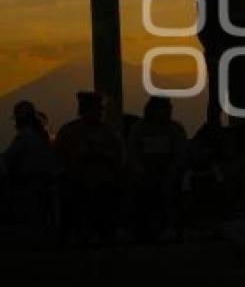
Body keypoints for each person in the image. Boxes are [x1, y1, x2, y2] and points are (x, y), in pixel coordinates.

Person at [53, 92, 125, 244]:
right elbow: (60, 158)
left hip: (104, 181)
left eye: (101, 109)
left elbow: (118, 158)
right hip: (77, 180)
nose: (100, 113)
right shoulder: (69, 132)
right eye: (97, 109)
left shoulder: (110, 133)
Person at [126, 97, 188, 242]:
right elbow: (132, 154)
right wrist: (143, 173)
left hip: (168, 173)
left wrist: (171, 173)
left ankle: (170, 227)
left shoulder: (175, 129)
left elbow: (180, 155)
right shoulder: (138, 129)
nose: (167, 112)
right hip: (143, 173)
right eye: (162, 109)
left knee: (169, 190)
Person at [2, 101, 61, 232]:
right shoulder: (43, 136)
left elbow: (8, 158)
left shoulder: (25, 136)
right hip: (44, 185)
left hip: (30, 187)